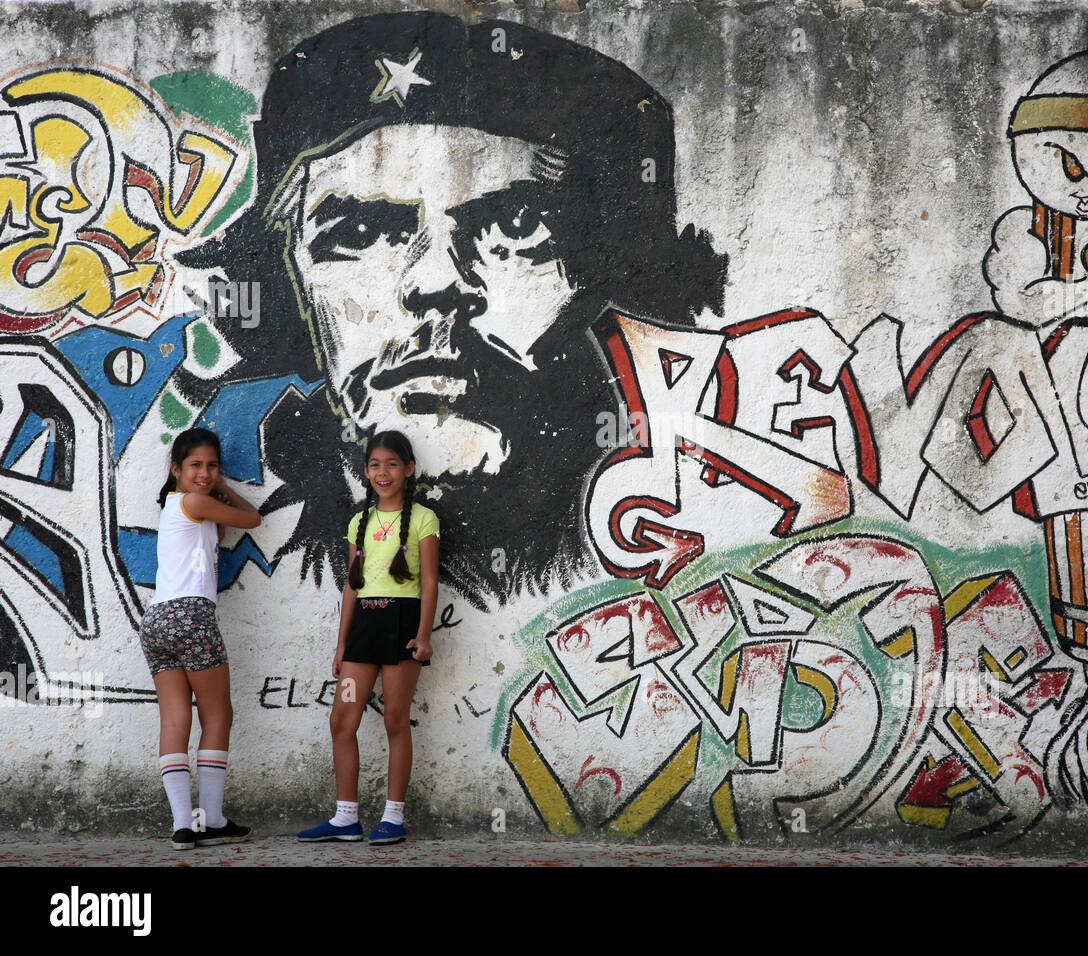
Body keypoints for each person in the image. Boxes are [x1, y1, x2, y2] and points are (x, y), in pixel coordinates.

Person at [180, 10, 727, 607]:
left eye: (517, 225)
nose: (437, 283)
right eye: (360, 232)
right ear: (294, 285)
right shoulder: (277, 573)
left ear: (606, 281)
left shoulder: (701, 561)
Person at [297, 430, 438, 845]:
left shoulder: (425, 519)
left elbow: (429, 582)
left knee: (396, 719)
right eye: (375, 464)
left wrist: (424, 635)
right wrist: (342, 645)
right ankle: (346, 817)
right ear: (365, 472)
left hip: (403, 625)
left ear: (409, 469)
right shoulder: (359, 522)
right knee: (342, 719)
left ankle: (393, 816)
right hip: (363, 627)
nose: (383, 472)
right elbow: (351, 586)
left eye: (392, 464)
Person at [141, 427, 262, 849]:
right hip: (191, 615)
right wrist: (224, 487)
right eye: (196, 465)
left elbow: (222, 533)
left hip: (156, 621)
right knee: (217, 716)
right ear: (176, 469)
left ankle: (181, 825)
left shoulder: (182, 508)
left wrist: (214, 493)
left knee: (176, 720)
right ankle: (210, 818)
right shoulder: (195, 501)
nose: (205, 473)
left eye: (213, 466)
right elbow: (251, 518)